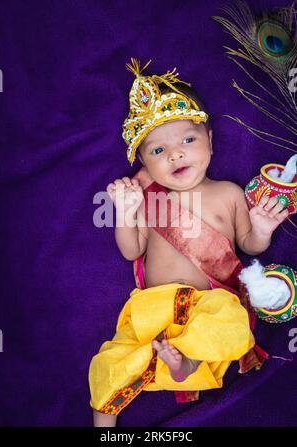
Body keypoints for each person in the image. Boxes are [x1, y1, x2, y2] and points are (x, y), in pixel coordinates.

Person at [89, 59, 289, 427]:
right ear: (146, 164)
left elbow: (249, 245)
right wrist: (125, 213)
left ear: (210, 141)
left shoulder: (228, 194)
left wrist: (261, 229)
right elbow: (132, 251)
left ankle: (186, 361)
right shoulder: (150, 200)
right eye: (158, 151)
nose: (176, 153)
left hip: (208, 305)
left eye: (187, 139)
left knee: (232, 322)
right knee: (109, 361)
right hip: (154, 306)